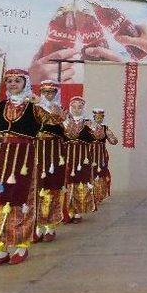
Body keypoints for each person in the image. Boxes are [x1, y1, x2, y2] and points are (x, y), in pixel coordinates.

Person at [0, 69, 62, 267]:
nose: (12, 84)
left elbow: (57, 119)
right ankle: (0, 250)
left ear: (25, 83)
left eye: (17, 81)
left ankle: (21, 247)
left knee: (20, 200)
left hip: (23, 158)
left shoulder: (34, 106)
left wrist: (41, 101)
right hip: (0, 156)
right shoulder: (0, 105)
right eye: (9, 81)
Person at [33, 80, 67, 242]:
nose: (48, 95)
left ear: (56, 93)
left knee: (51, 187)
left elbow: (68, 131)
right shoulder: (34, 108)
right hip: (36, 151)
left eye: (51, 92)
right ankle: (36, 227)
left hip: (54, 152)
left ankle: (50, 227)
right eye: (45, 91)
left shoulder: (61, 111)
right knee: (34, 188)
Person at [63, 96, 95, 224]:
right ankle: (65, 211)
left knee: (80, 182)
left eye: (80, 106)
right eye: (74, 106)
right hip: (67, 156)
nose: (77, 109)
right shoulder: (64, 122)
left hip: (83, 158)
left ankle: (76, 211)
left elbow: (97, 137)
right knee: (66, 182)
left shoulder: (88, 123)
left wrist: (92, 127)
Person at [88, 108, 118, 205]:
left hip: (101, 155)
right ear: (93, 117)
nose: (99, 119)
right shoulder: (88, 127)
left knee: (100, 173)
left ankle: (99, 194)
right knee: (89, 173)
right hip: (89, 155)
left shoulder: (105, 128)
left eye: (101, 117)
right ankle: (89, 194)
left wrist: (110, 135)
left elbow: (114, 141)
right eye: (97, 116)